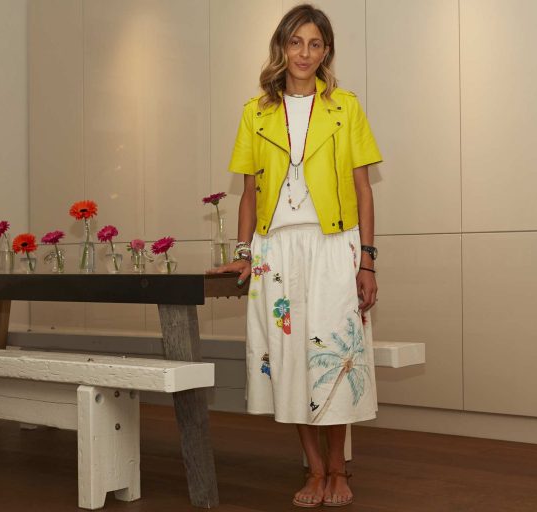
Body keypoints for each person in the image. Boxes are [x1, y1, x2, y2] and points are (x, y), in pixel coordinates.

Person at [208, 3, 382, 508]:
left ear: (326, 51)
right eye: (296, 42)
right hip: (276, 252)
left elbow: (363, 190)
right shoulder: (255, 111)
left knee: (335, 357)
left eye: (315, 44)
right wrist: (244, 252)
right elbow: (249, 194)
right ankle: (314, 469)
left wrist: (367, 261)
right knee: (288, 361)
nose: (304, 53)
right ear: (282, 47)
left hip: (333, 245)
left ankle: (338, 468)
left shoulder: (345, 107)